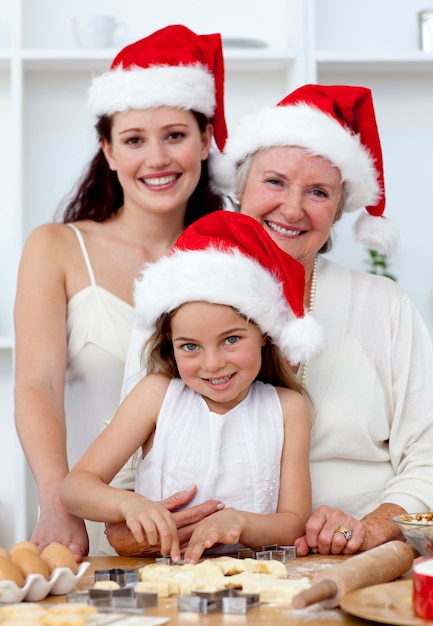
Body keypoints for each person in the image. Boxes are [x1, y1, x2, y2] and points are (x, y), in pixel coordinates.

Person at [112, 83, 433, 558]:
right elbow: (122, 487)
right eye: (275, 182)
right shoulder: (176, 298)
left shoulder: (385, 305)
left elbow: (428, 455)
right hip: (207, 564)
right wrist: (152, 530)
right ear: (239, 189)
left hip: (360, 558)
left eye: (318, 191)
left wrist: (368, 528)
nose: (292, 208)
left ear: (340, 207)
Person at [13, 24, 228, 561]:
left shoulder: (234, 257)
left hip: (211, 531)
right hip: (85, 529)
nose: (157, 158)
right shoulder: (56, 247)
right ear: (108, 151)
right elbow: (38, 383)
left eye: (175, 135)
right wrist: (57, 499)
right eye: (134, 140)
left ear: (205, 141)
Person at [60, 210, 322, 564]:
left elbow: (293, 523)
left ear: (263, 332)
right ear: (170, 343)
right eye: (190, 346)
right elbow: (75, 487)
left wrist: (238, 523)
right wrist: (129, 503)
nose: (212, 364)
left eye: (231, 339)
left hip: (254, 584)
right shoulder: (156, 395)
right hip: (161, 581)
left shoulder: (288, 408)